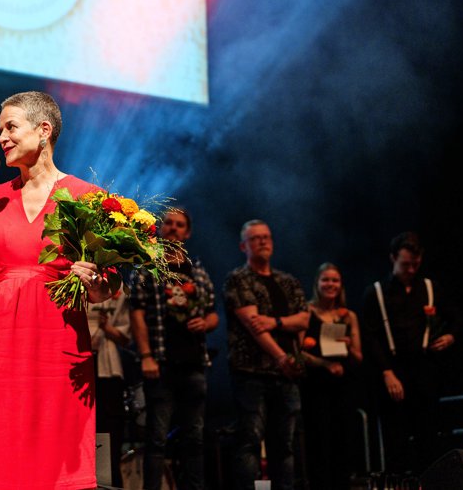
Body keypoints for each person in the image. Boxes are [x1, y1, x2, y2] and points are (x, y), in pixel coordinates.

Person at [0, 91, 111, 490]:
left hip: (57, 336)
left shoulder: (87, 197)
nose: (1, 138)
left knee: (55, 447)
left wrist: (94, 280)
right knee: (1, 443)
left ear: (44, 130)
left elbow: (106, 287)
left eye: (11, 127)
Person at [131, 207, 218, 490]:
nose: (173, 228)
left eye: (180, 224)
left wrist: (206, 322)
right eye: (168, 223)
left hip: (194, 364)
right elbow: (137, 313)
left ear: (187, 232)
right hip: (161, 363)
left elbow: (213, 314)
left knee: (195, 438)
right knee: (157, 438)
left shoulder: (198, 270)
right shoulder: (147, 266)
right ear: (160, 228)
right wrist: (146, 355)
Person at [361, 231, 459, 475]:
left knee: (429, 435)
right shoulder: (376, 292)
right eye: (406, 264)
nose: (411, 269)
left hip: (425, 369)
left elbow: (456, 318)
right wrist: (387, 372)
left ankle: (429, 483)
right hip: (393, 369)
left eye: (416, 264)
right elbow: (370, 337)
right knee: (396, 438)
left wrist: (450, 336)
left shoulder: (430, 287)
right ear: (393, 258)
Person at [223, 219, 309, 490]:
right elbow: (253, 325)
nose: (262, 241)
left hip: (286, 375)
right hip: (252, 373)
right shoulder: (239, 278)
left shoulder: (288, 281)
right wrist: (283, 357)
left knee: (284, 445)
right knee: (250, 441)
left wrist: (276, 322)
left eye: (266, 237)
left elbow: (304, 320)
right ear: (243, 246)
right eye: (255, 238)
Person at [298, 262, 362, 490]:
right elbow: (297, 351)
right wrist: (324, 364)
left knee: (343, 441)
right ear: (317, 283)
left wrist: (348, 345)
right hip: (315, 386)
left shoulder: (348, 316)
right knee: (319, 442)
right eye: (325, 279)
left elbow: (359, 356)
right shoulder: (306, 312)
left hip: (342, 386)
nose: (330, 284)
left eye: (335, 280)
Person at [88, 288, 132, 487]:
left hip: (107, 368)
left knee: (110, 431)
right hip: (78, 365)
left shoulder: (116, 286)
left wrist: (106, 327)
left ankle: (110, 481)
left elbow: (125, 337)